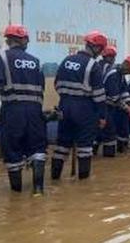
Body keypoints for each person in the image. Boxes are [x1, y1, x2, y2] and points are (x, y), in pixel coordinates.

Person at [0, 25, 46, 195]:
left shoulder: (2, 57)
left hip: (13, 110)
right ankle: (38, 190)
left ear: (8, 40)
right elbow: (41, 86)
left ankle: (17, 193)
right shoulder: (35, 61)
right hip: (35, 111)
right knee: (37, 148)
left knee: (12, 149)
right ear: (23, 40)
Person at [51, 30, 108, 180]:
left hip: (64, 106)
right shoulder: (93, 66)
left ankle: (55, 178)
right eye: (101, 49)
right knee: (85, 147)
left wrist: (67, 98)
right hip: (84, 109)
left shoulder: (67, 60)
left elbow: (56, 84)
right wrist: (102, 115)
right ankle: (83, 184)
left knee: (62, 145)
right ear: (96, 48)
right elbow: (99, 95)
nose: (100, 53)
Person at [98, 56, 130, 156]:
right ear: (127, 65)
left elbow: (124, 92)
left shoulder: (120, 75)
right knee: (109, 133)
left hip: (112, 108)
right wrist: (127, 108)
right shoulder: (113, 75)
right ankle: (108, 158)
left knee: (115, 130)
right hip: (104, 107)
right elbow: (115, 98)